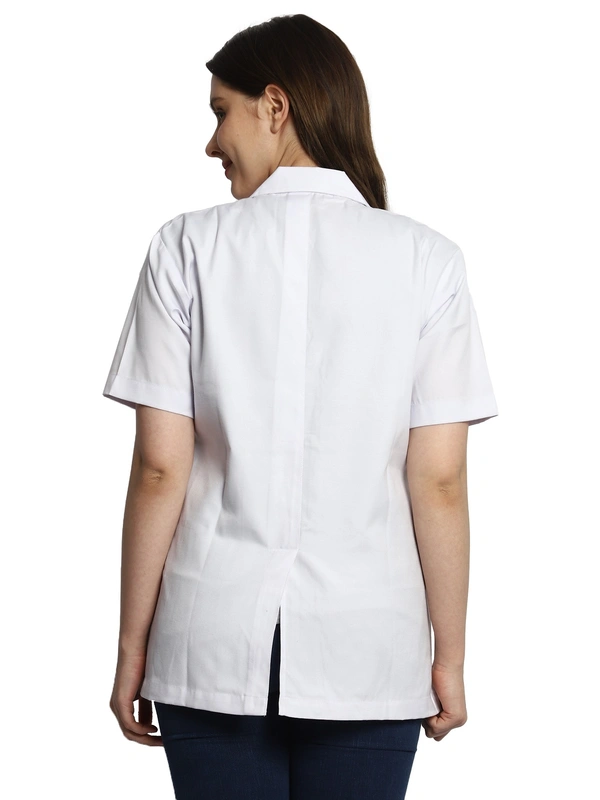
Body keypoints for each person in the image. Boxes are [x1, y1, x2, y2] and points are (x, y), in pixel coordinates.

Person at [103, 13, 498, 800]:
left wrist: (132, 647)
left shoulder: (185, 249)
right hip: (371, 647)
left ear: (275, 107)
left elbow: (159, 469)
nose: (211, 143)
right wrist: (449, 659)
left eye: (221, 111)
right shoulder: (428, 261)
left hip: (207, 642)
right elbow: (440, 480)